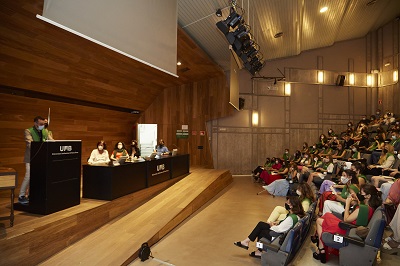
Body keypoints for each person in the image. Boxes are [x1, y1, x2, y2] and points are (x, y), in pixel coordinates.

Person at [312, 184, 382, 263]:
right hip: (351, 228)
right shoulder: (370, 207)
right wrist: (357, 202)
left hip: (346, 230)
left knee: (319, 221)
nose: (359, 195)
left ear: (368, 196)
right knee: (327, 216)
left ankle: (321, 249)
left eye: (361, 193)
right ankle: (321, 249)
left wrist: (348, 203)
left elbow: (346, 219)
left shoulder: (363, 209)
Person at [234, 196, 305, 258]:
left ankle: (257, 250)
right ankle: (247, 242)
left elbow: (279, 229)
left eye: (287, 202)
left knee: (261, 232)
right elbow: (284, 224)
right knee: (261, 224)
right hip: (282, 232)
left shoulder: (290, 218)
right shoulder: (296, 216)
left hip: (278, 237)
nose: (285, 203)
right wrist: (276, 223)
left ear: (291, 206)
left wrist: (272, 225)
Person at [18, 116, 54, 204]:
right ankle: (21, 196)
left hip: (41, 159)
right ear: (35, 123)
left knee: (37, 177)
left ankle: (32, 194)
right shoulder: (28, 131)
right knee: (28, 176)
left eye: (43, 124)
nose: (42, 125)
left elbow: (51, 140)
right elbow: (30, 144)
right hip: (30, 158)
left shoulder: (45, 131)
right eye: (41, 124)